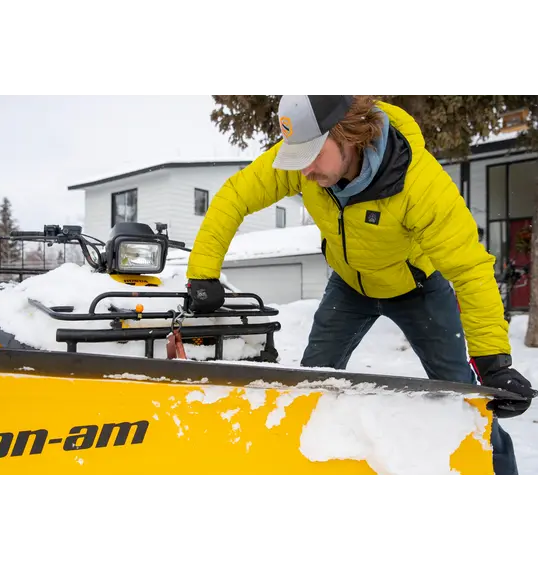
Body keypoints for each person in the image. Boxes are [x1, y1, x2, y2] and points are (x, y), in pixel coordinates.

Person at [185, 89, 536, 479]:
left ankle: (503, 475)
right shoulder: (304, 161)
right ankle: (299, 467)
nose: (304, 171)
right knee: (311, 381)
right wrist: (203, 272)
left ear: (347, 134)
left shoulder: (418, 183)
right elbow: (235, 195)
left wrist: (494, 362)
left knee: (463, 393)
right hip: (350, 287)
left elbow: (470, 268)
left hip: (417, 289)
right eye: (297, 157)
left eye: (313, 155)